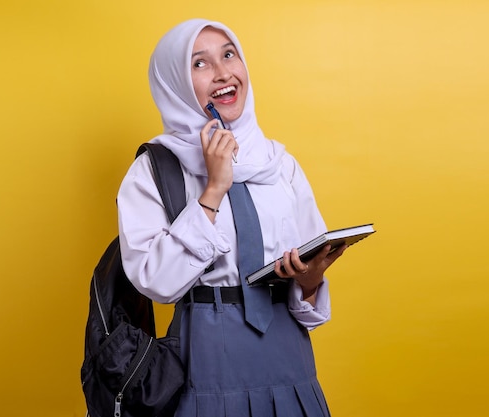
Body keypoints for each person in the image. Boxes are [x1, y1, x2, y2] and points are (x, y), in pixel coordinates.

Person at [117, 18, 347, 417]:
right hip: (206, 361)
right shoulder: (154, 170)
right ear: (174, 82)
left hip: (289, 359)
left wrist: (310, 281)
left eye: (229, 55)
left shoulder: (280, 164)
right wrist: (214, 188)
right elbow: (156, 282)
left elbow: (308, 276)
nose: (223, 73)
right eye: (200, 63)